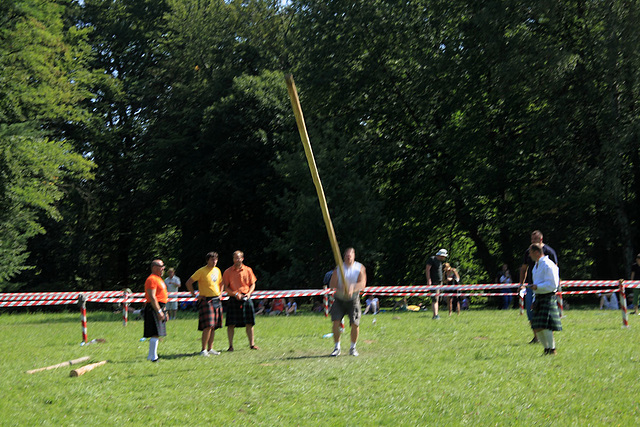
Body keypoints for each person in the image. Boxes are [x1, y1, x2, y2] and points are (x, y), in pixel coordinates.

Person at [519, 230, 558, 343]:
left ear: (540, 240)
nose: (532, 242)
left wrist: (553, 287)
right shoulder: (528, 252)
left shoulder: (549, 252)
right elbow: (524, 268)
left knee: (546, 315)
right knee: (531, 313)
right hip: (532, 287)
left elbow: (555, 270)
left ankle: (549, 340)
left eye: (534, 240)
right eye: (531, 240)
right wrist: (522, 284)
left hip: (546, 289)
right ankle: (537, 337)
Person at [185, 252, 224, 356]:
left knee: (214, 326)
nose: (214, 261)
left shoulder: (217, 270)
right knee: (208, 326)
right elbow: (189, 282)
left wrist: (220, 294)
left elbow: (221, 282)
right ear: (207, 260)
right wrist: (195, 295)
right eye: (212, 259)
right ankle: (203, 350)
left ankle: (210, 348)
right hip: (206, 300)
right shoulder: (201, 271)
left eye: (216, 259)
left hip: (216, 300)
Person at [329, 247, 367, 357]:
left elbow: (362, 284)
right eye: (346, 255)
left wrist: (352, 288)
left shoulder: (359, 268)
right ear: (344, 256)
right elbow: (332, 285)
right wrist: (342, 289)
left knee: (355, 323)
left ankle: (353, 348)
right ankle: (337, 347)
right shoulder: (339, 269)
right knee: (336, 322)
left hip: (353, 300)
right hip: (339, 299)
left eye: (350, 255)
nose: (348, 257)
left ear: (354, 256)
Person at [529, 243, 562, 355]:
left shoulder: (548, 265)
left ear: (537, 252)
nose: (529, 255)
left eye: (531, 253)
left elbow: (553, 284)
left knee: (546, 326)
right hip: (538, 297)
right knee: (537, 327)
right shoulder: (536, 266)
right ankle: (546, 349)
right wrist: (534, 300)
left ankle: (552, 349)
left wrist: (538, 287)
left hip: (548, 297)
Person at [222, 250, 259, 351]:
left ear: (242, 258)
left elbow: (253, 284)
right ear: (233, 259)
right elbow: (226, 287)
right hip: (233, 298)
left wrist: (249, 293)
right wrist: (235, 294)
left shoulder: (248, 270)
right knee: (231, 324)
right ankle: (230, 346)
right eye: (235, 257)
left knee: (250, 323)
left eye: (239, 257)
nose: (237, 259)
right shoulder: (227, 272)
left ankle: (252, 344)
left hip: (246, 297)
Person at [143, 259, 168, 362]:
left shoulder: (159, 279)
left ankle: (152, 356)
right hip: (153, 307)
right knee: (155, 332)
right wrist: (159, 311)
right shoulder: (151, 279)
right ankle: (153, 357)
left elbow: (161, 296)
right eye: (161, 266)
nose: (163, 269)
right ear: (154, 267)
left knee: (157, 333)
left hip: (160, 306)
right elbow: (152, 297)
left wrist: (164, 310)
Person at [426, 249, 448, 319]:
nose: (444, 258)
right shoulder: (432, 259)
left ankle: (436, 314)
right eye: (444, 256)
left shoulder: (439, 262)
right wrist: (429, 280)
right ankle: (435, 315)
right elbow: (427, 270)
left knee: (437, 299)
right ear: (441, 255)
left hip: (439, 282)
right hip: (434, 282)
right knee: (435, 299)